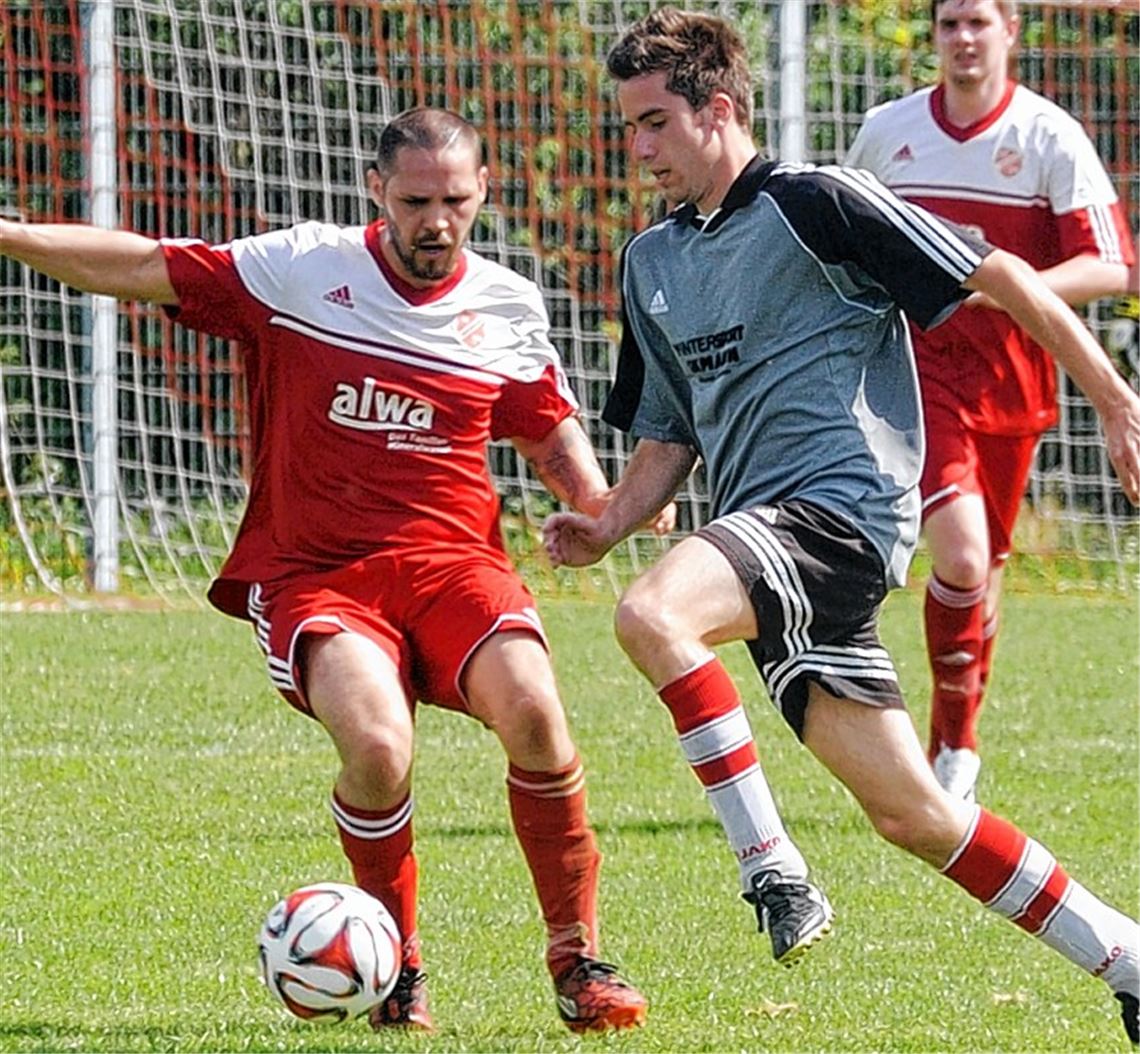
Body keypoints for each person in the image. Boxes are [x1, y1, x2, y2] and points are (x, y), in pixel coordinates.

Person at [541, 7, 1140, 1044]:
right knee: (915, 814)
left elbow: (997, 274)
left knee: (651, 616)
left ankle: (773, 870)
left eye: (653, 124)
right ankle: (1128, 956)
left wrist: (1116, 400)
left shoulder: (820, 201)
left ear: (718, 109)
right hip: (765, 547)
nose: (636, 149)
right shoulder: (652, 264)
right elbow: (666, 439)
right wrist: (604, 525)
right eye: (627, 127)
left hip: (836, 513)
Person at [0, 107, 652, 1034]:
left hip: (454, 565)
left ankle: (578, 961)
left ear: (482, 195)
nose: (436, 221)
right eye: (417, 200)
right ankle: (399, 966)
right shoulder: (301, 269)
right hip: (317, 573)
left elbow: (543, 421)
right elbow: (141, 265)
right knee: (381, 747)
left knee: (539, 714)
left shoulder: (506, 303)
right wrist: (11, 234)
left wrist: (601, 507)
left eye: (455, 201)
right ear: (375, 191)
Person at [844, 0, 1136, 801]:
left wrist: (1005, 290)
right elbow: (849, 234)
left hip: (1013, 384)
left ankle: (957, 740)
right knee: (963, 557)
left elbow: (1111, 266)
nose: (964, 40)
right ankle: (950, 756)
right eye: (949, 25)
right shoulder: (890, 130)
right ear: (935, 37)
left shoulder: (1048, 136)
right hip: (914, 376)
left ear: (1011, 31)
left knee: (986, 570)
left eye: (978, 22)